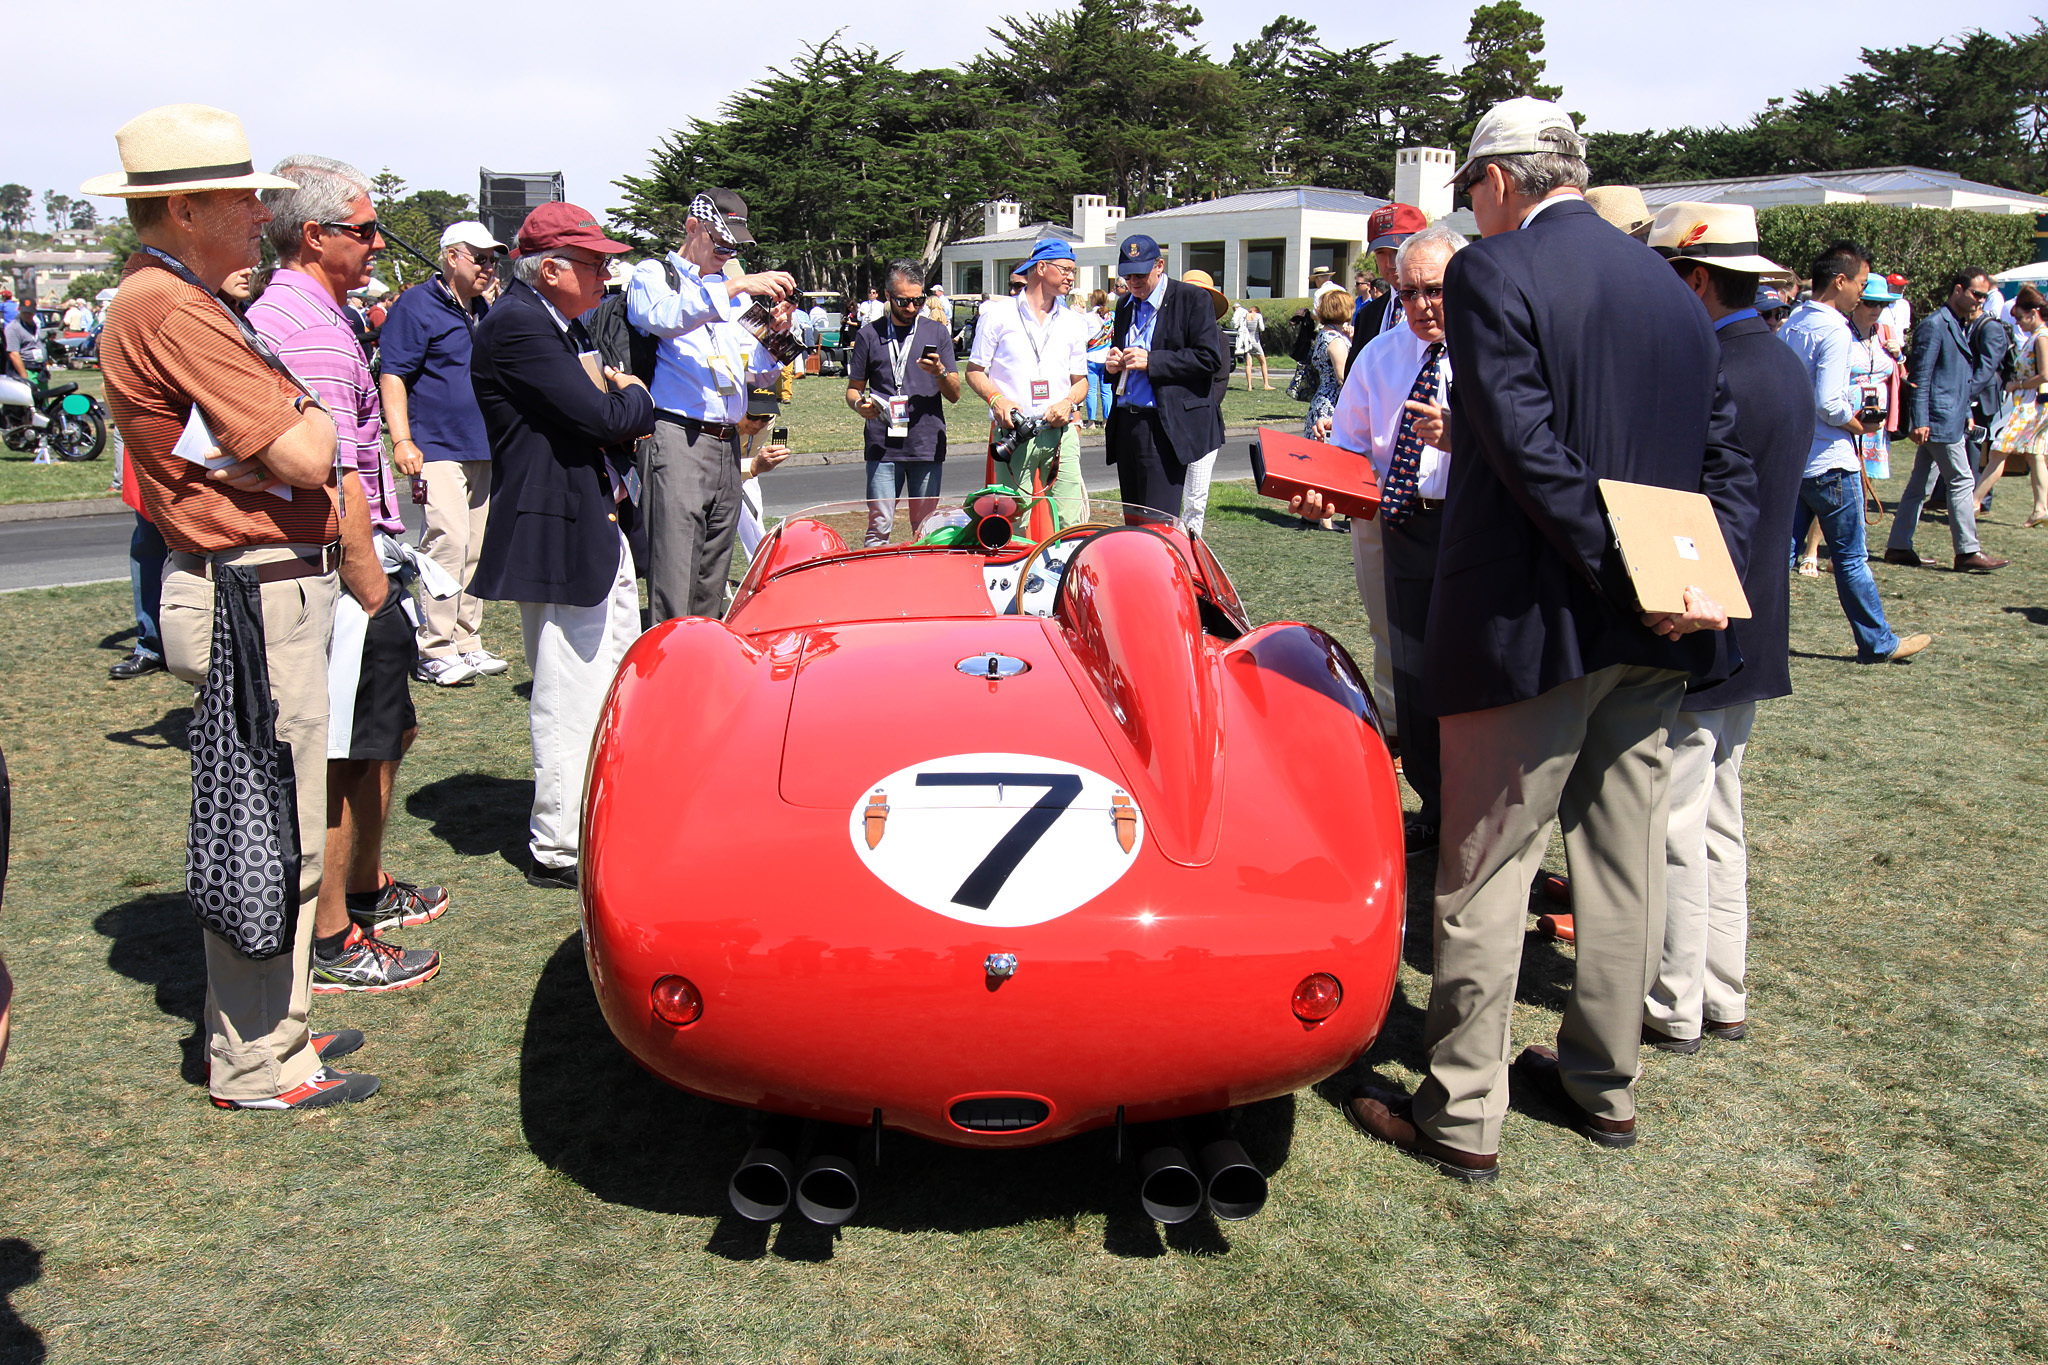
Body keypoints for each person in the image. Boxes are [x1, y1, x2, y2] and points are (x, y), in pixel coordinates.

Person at [1341, 98, 1757, 1182]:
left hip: (1530, 619)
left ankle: (1462, 1109)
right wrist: (1684, 577)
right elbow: (1725, 465)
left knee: (1483, 868)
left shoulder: (1496, 269)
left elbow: (1520, 443)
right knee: (1622, 867)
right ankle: (1597, 1081)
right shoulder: (1669, 294)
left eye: (1469, 195)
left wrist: (1619, 563)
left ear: (1497, 181)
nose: (1469, 217)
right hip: (1653, 623)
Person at [89, 103, 380, 1108]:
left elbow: (298, 449)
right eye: (238, 200)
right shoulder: (170, 309)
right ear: (182, 208)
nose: (260, 216)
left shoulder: (174, 299)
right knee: (271, 830)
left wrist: (285, 443)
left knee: (281, 820)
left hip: (260, 582)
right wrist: (291, 437)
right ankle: (259, 1058)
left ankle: (277, 1030)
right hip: (250, 590)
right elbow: (308, 451)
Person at [249, 154, 445, 991]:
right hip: (343, 572)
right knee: (338, 755)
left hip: (362, 569)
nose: (377, 244)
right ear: (314, 234)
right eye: (366, 230)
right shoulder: (306, 327)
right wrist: (371, 585)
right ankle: (331, 936)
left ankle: (360, 887)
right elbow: (328, 475)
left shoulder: (318, 315)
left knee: (379, 738)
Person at [1642, 202, 1812, 1053]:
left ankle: (1675, 1001)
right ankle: (1721, 988)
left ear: (1697, 279)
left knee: (1676, 821)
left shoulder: (1715, 370)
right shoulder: (1780, 361)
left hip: (1703, 625)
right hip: (1757, 625)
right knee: (1718, 822)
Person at [471, 203, 655, 890]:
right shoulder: (520, 326)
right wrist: (634, 397)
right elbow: (607, 415)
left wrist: (621, 401)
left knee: (603, 678)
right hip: (558, 530)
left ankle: (593, 821)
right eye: (595, 263)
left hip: (591, 525)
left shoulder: (552, 322)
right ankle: (560, 843)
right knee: (569, 688)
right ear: (550, 270)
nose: (607, 275)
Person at [1310, 223, 1466, 851]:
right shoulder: (1381, 354)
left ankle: (1478, 806)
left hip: (1470, 526)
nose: (1424, 306)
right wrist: (1320, 480)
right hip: (1401, 525)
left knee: (1470, 669)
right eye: (1410, 293)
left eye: (1437, 290)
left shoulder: (1497, 349)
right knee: (1412, 668)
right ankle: (1433, 801)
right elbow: (1348, 445)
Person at [626, 188, 797, 623]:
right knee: (675, 564)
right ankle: (666, 663)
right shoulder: (654, 274)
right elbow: (663, 318)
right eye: (720, 243)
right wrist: (736, 283)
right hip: (677, 436)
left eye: (733, 247)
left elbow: (757, 371)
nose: (727, 253)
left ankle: (700, 653)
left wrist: (777, 336)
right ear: (692, 227)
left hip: (727, 441)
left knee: (713, 566)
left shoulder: (731, 295)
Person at [1779, 247, 1936, 661]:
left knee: (1778, 555)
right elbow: (1829, 402)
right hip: (1830, 460)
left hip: (1795, 457)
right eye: (1863, 285)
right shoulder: (1833, 329)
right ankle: (1878, 643)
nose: (1863, 294)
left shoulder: (1793, 321)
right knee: (1850, 558)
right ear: (1840, 281)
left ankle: (1743, 633)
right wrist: (1860, 426)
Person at [381, 221, 508, 686]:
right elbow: (394, 375)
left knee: (476, 546)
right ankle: (433, 647)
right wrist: (402, 440)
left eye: (494, 259)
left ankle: (465, 640)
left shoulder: (483, 308)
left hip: (485, 446)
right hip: (436, 445)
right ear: (453, 256)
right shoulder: (417, 305)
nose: (489, 267)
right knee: (447, 542)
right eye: (481, 258)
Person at [1886, 265, 2011, 572]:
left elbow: (1956, 377)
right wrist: (1920, 420)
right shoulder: (1935, 324)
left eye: (1984, 296)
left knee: (1920, 486)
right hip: (1938, 420)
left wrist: (1965, 412)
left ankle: (1899, 546)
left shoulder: (1955, 323)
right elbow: (1922, 376)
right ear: (1958, 290)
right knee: (1961, 480)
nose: (1980, 301)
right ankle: (1967, 551)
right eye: (1976, 294)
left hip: (1947, 415)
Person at [964, 238, 1091, 524]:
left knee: (1071, 520)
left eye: (1074, 270)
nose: (1071, 276)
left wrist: (1068, 402)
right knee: (1012, 520)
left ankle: (1065, 567)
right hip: (1014, 432)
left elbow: (1080, 382)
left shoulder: (1073, 321)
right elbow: (973, 371)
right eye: (1066, 269)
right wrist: (997, 400)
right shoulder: (997, 315)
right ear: (1042, 268)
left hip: (1061, 433)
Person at [1103, 234, 1224, 517]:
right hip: (1126, 423)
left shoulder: (1192, 299)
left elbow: (1208, 359)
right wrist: (1113, 364)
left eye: (1140, 274)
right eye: (1127, 275)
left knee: (1157, 523)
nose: (1133, 282)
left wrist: (1152, 361)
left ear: (1160, 265)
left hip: (1164, 426)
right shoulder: (1124, 305)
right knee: (1133, 520)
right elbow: (1119, 351)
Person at [846, 259, 959, 546]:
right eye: (903, 301)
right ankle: (876, 586)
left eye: (917, 301)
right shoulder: (869, 334)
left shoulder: (936, 332)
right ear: (887, 296)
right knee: (879, 527)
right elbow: (853, 390)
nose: (911, 308)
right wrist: (861, 406)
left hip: (926, 443)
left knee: (926, 531)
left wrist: (940, 373)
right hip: (882, 445)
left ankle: (922, 587)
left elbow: (955, 393)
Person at [1978, 283, 2048, 526]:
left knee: (1998, 451)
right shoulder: (2036, 337)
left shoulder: (2041, 338)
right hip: (2031, 404)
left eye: (2019, 317)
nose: (2017, 323)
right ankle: (2041, 508)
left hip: (2030, 406)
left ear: (2032, 313)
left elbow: (2046, 374)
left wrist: (2018, 385)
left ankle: (1974, 502)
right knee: (2035, 455)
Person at [1176, 269, 1233, 536]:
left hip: (1203, 428)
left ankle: (1192, 552)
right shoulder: (1169, 333)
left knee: (1195, 500)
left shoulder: (1218, 337)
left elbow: (1219, 383)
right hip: (1168, 424)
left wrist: (1195, 413)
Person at [1353, 203, 1426, 340]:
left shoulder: (1442, 312)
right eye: (1381, 253)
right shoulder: (1367, 316)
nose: (1391, 263)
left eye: (1398, 251)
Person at [1083, 289, 1114, 426]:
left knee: (1091, 390)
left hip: (1091, 357)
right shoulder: (1111, 316)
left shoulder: (1087, 317)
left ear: (1094, 300)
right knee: (1107, 390)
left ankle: (1091, 420)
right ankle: (1107, 420)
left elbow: (1084, 338)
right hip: (1107, 356)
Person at [1234, 298, 1271, 390]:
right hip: (1255, 341)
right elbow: (1262, 328)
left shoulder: (1245, 316)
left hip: (1247, 342)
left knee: (1248, 364)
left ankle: (1249, 386)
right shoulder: (1258, 316)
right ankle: (1266, 384)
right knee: (1263, 362)